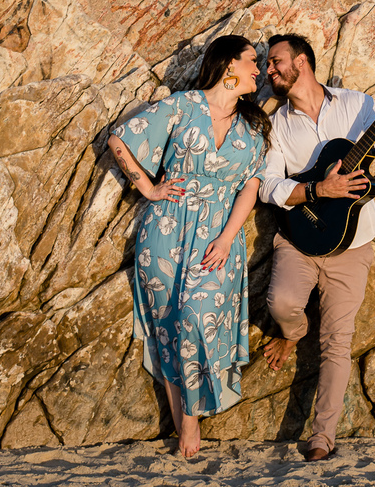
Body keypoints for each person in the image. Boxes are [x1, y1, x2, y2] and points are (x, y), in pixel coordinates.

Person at [108, 35, 270, 458]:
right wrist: (147, 187)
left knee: (199, 317)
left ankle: (191, 421)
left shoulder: (253, 126)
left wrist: (227, 237)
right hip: (165, 231)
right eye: (253, 61)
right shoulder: (182, 106)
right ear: (228, 64)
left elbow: (250, 187)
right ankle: (186, 423)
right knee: (168, 328)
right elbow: (119, 140)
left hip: (218, 237)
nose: (260, 70)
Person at [258, 32, 375, 461]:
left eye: (275, 62)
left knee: (337, 342)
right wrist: (317, 190)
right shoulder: (277, 125)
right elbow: (269, 185)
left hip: (352, 243)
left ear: (303, 62)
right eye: (269, 65)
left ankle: (322, 437)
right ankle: (293, 333)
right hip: (300, 236)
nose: (269, 70)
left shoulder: (357, 105)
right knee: (281, 303)